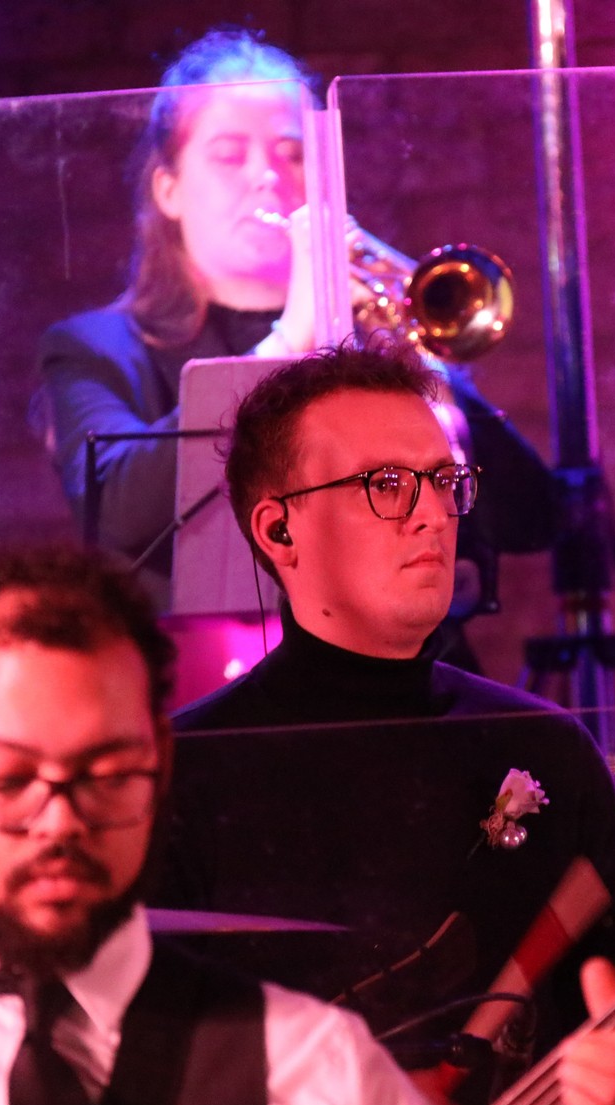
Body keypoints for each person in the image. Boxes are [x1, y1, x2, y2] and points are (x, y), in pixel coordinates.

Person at [0, 545, 615, 1105]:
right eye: (8, 775)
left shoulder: (309, 1068)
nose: (58, 821)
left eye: (105, 774)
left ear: (159, 767)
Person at [158, 341, 615, 1105]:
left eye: (445, 481)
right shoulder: (182, 773)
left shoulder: (547, 747)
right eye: (386, 484)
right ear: (279, 532)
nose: (433, 513)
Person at [34, 28, 556, 663]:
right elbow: (113, 510)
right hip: (203, 680)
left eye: (292, 153)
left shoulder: (373, 336)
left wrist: (420, 367)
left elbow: (531, 518)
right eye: (230, 155)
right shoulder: (95, 348)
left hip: (404, 677)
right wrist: (291, 338)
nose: (267, 177)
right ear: (167, 188)